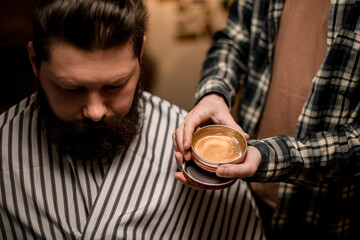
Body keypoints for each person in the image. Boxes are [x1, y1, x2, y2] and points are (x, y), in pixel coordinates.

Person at [0, 0, 266, 239]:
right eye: (71, 89)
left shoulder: (195, 149)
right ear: (35, 62)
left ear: (139, 55)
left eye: (115, 86)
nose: (95, 111)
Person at [173, 0, 360, 239]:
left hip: (324, 210)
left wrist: (270, 156)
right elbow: (233, 39)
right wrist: (214, 93)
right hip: (240, 192)